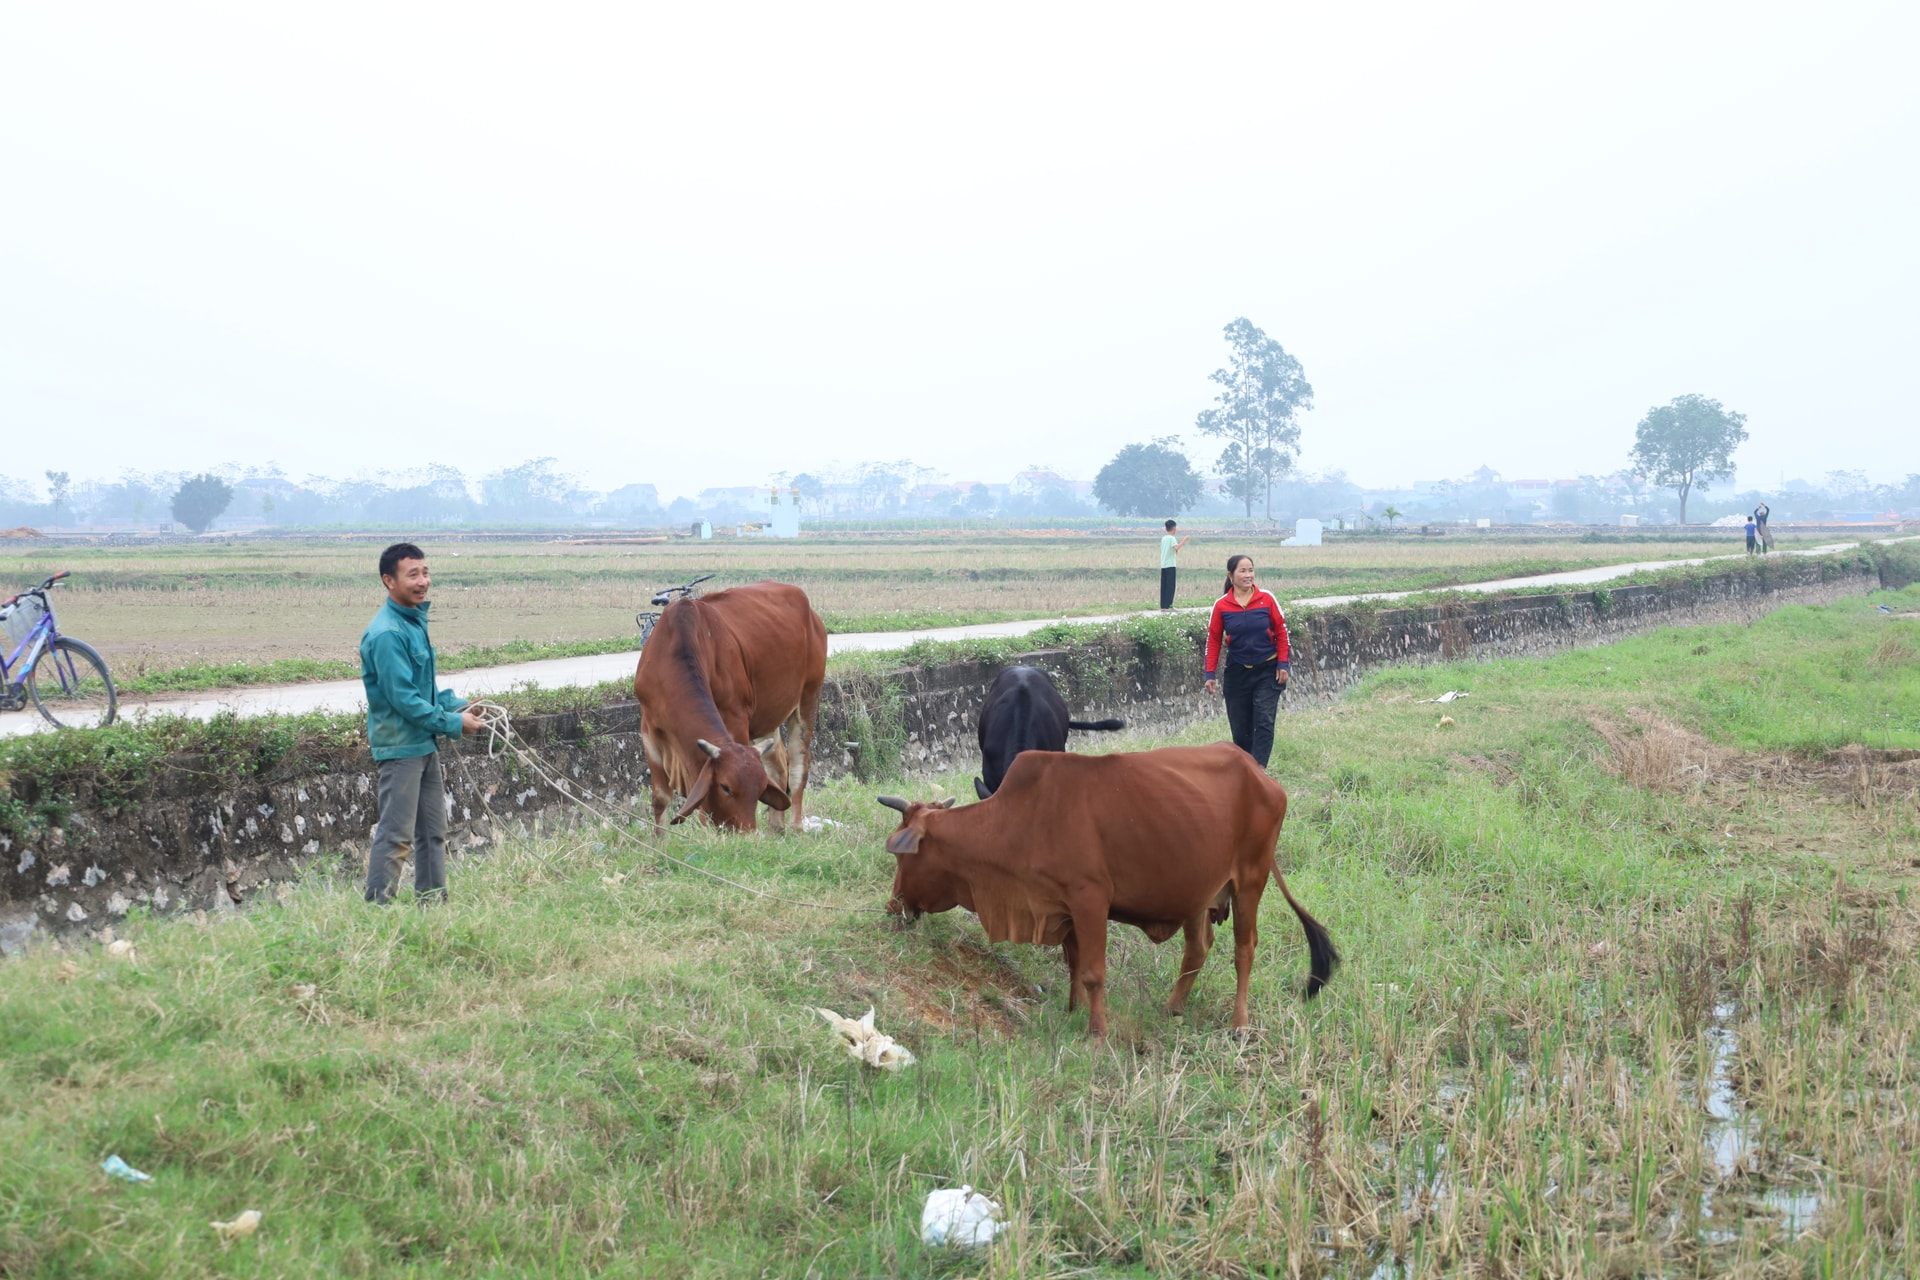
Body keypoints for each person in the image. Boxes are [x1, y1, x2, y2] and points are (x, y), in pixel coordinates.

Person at [360, 542, 484, 904]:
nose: (423, 581)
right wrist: (454, 723)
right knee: (395, 835)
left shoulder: (411, 623)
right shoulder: (387, 634)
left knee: (432, 832)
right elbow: (404, 700)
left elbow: (422, 690)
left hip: (423, 743)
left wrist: (460, 706)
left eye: (425, 572)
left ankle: (432, 906)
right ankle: (377, 912)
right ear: (389, 580)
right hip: (401, 748)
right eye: (412, 574)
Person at [1204, 554, 1290, 768]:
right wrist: (1210, 674)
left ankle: (1259, 771)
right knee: (1240, 727)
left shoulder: (1267, 599)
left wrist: (1283, 663)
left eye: (1250, 570)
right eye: (1242, 571)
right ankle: (1246, 769)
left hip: (1268, 669)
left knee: (1264, 720)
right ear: (1230, 576)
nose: (1248, 575)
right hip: (1237, 671)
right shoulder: (1222, 605)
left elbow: (1282, 632)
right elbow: (1213, 640)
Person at [1159, 519, 1190, 610]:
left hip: (1163, 564)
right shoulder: (1171, 538)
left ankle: (1163, 606)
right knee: (1170, 586)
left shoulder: (1164, 538)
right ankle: (1169, 605)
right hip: (1170, 565)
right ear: (1174, 528)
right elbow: (1176, 547)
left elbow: (1170, 549)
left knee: (1164, 586)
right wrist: (1184, 540)